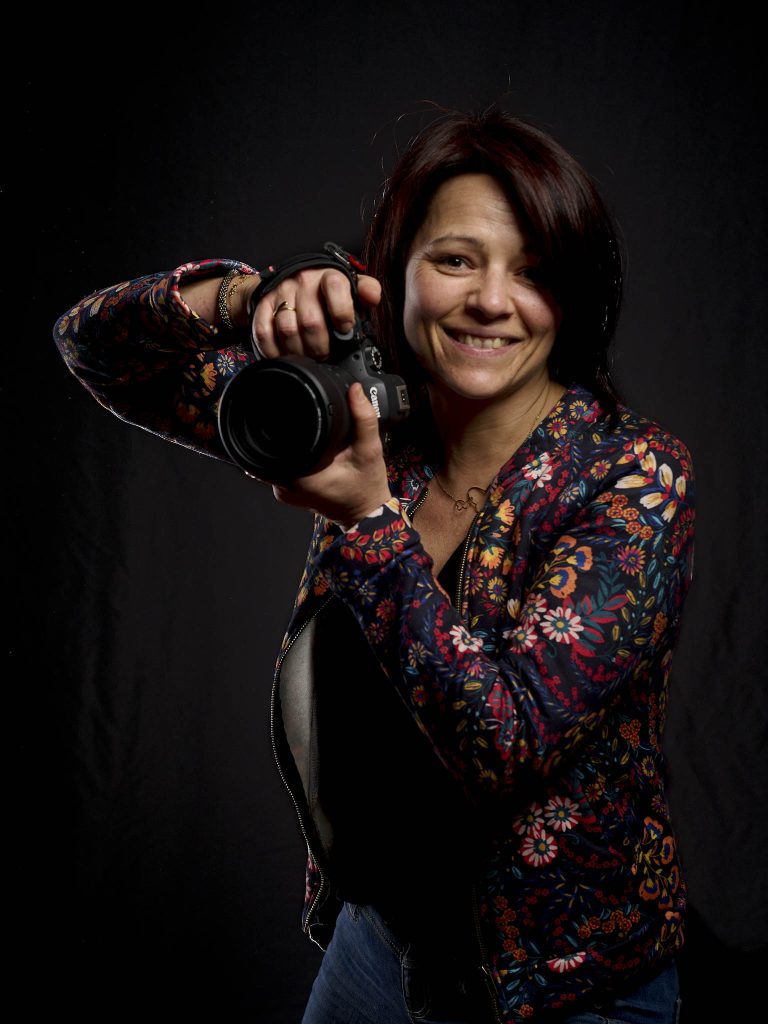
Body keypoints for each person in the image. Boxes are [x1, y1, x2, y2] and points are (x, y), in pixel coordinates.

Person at [53, 109, 695, 1023]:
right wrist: (253, 295)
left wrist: (366, 523)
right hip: (379, 947)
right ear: (392, 274)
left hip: (563, 983)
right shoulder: (369, 419)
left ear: (575, 295)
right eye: (457, 259)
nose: (492, 301)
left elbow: (506, 742)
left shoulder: (632, 474)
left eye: (533, 272)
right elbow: (98, 349)